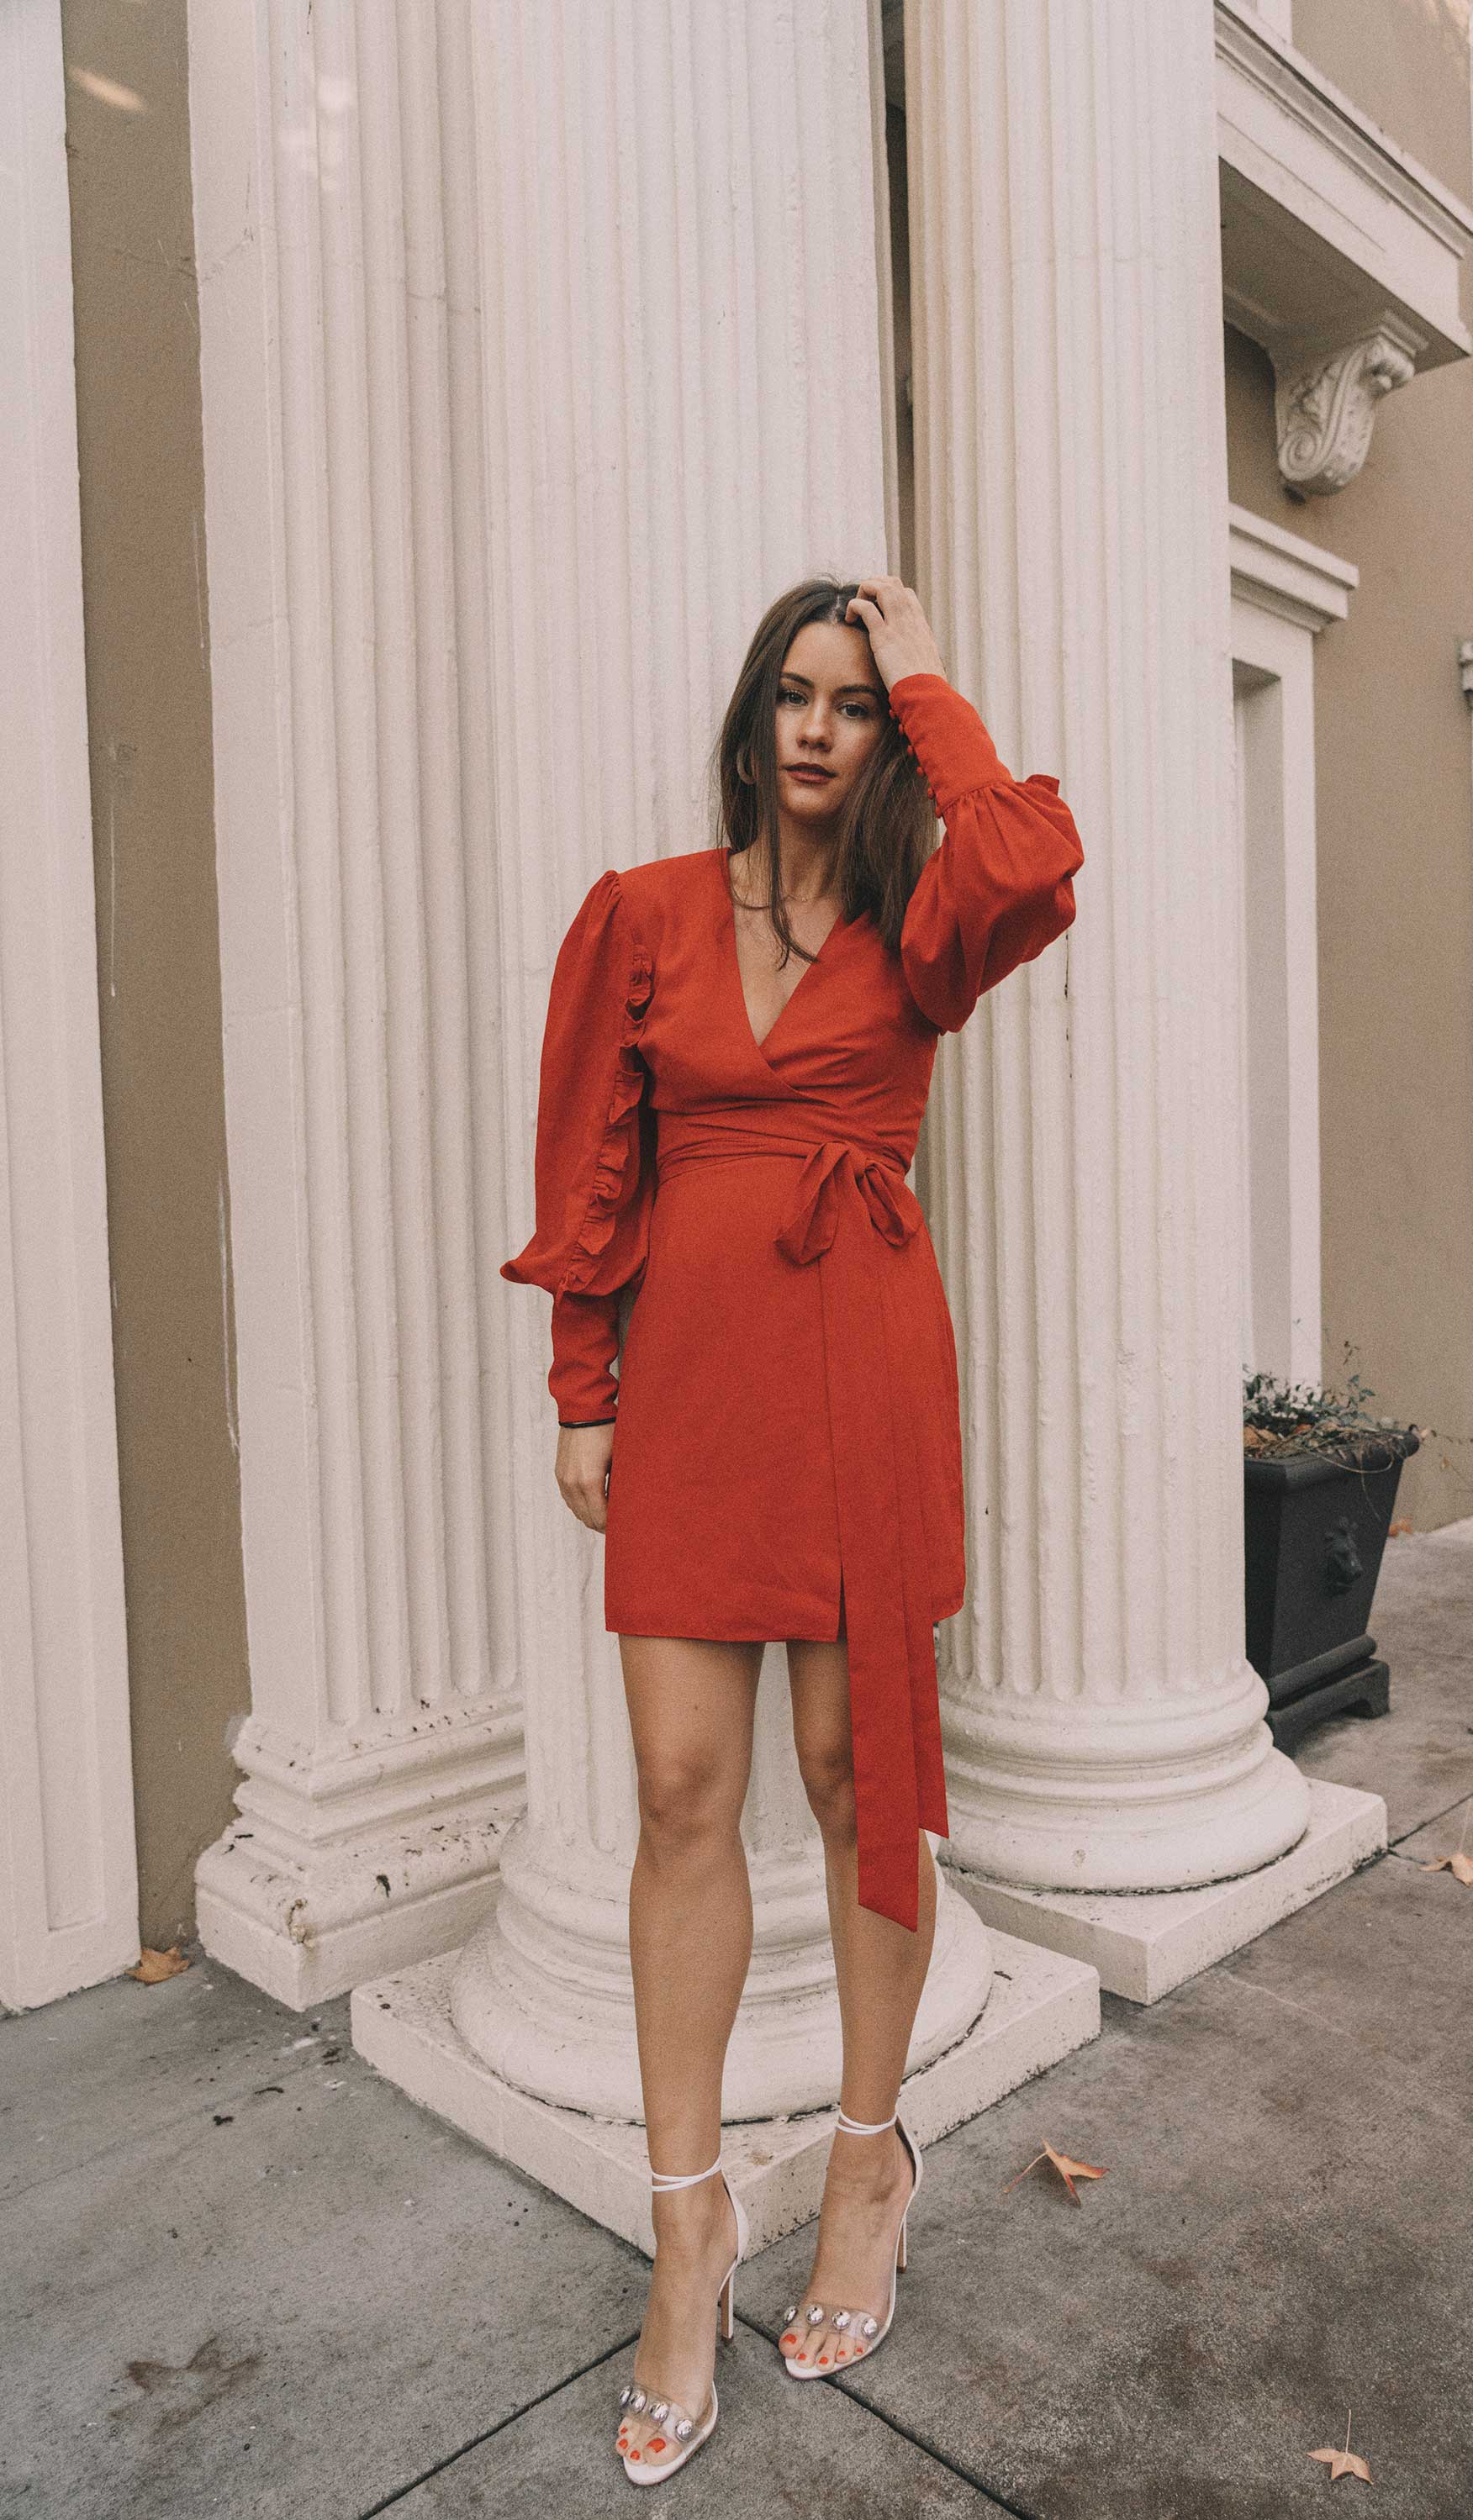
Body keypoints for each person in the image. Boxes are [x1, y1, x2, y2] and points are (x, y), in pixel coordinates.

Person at [501, 574, 1083, 2485]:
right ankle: (688, 2223)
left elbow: (1034, 850)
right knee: (682, 1786)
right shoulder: (647, 911)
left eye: (856, 701)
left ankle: (862, 2154)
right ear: (752, 716)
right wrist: (586, 1383)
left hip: (860, 1378)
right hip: (690, 1390)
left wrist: (932, 677)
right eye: (799, 694)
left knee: (851, 1775)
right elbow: (595, 1152)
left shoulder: (928, 921)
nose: (823, 727)